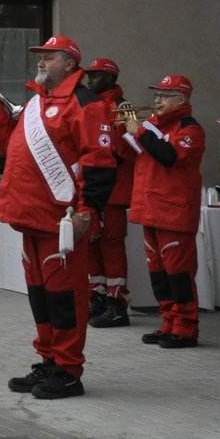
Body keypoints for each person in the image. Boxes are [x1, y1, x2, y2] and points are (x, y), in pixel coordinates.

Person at [0, 35, 115, 400]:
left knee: (65, 296)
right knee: (41, 296)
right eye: (39, 57)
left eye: (49, 57)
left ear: (70, 64)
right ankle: (49, 360)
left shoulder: (87, 105)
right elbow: (10, 149)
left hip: (61, 220)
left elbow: (99, 163)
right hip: (29, 216)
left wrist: (87, 212)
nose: (40, 62)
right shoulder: (36, 103)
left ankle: (69, 370)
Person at [117, 74, 206, 348]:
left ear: (182, 99)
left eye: (165, 96)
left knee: (178, 273)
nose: (157, 100)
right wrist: (122, 132)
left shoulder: (190, 129)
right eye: (157, 95)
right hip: (150, 209)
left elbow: (169, 156)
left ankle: (186, 327)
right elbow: (129, 156)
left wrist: (139, 132)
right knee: (158, 273)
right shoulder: (150, 125)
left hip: (174, 212)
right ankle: (168, 321)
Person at [82, 58, 136, 328]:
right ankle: (98, 297)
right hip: (92, 185)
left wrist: (102, 152)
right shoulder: (89, 104)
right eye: (89, 76)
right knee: (92, 243)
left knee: (112, 245)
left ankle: (117, 303)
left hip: (113, 188)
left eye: (96, 76)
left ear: (111, 78)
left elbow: (130, 148)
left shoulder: (123, 108)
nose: (89, 80)